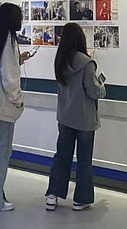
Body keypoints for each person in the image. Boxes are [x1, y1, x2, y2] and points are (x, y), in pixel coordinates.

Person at [0, 3, 36, 211]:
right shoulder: (8, 40)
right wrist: (18, 100)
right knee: (1, 152)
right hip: (2, 106)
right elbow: (9, 79)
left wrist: (18, 59)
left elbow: (1, 68)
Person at [45, 23, 106, 212]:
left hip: (65, 117)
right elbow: (94, 91)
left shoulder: (61, 60)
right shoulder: (87, 64)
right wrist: (102, 84)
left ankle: (52, 195)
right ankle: (81, 199)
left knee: (62, 157)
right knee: (84, 161)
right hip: (84, 119)